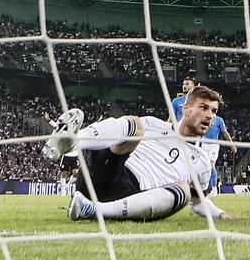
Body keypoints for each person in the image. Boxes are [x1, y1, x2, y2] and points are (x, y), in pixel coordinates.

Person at [43, 85, 239, 222]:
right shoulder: (154, 124)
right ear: (186, 109)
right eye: (203, 107)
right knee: (135, 125)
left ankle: (90, 210)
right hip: (106, 172)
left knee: (185, 191)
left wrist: (220, 214)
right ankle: (75, 141)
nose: (209, 115)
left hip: (131, 198)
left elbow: (198, 203)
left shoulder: (202, 162)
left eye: (214, 111)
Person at [199, 110, 237, 196]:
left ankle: (214, 189)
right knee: (204, 167)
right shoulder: (204, 118)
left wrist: (232, 145)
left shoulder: (219, 120)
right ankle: (205, 189)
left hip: (214, 145)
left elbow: (225, 133)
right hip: (204, 144)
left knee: (211, 165)